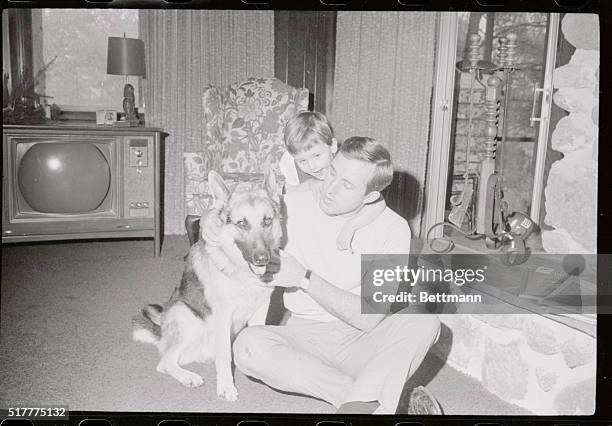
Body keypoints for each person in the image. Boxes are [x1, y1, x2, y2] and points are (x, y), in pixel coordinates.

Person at [232, 137, 442, 414]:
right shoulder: (289, 205)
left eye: (347, 185)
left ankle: (363, 400)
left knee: (423, 322)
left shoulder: (393, 229)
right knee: (248, 346)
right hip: (301, 338)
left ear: (370, 196)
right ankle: (370, 399)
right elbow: (240, 222)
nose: (330, 189)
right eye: (332, 172)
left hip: (361, 341)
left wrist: (304, 278)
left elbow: (368, 319)